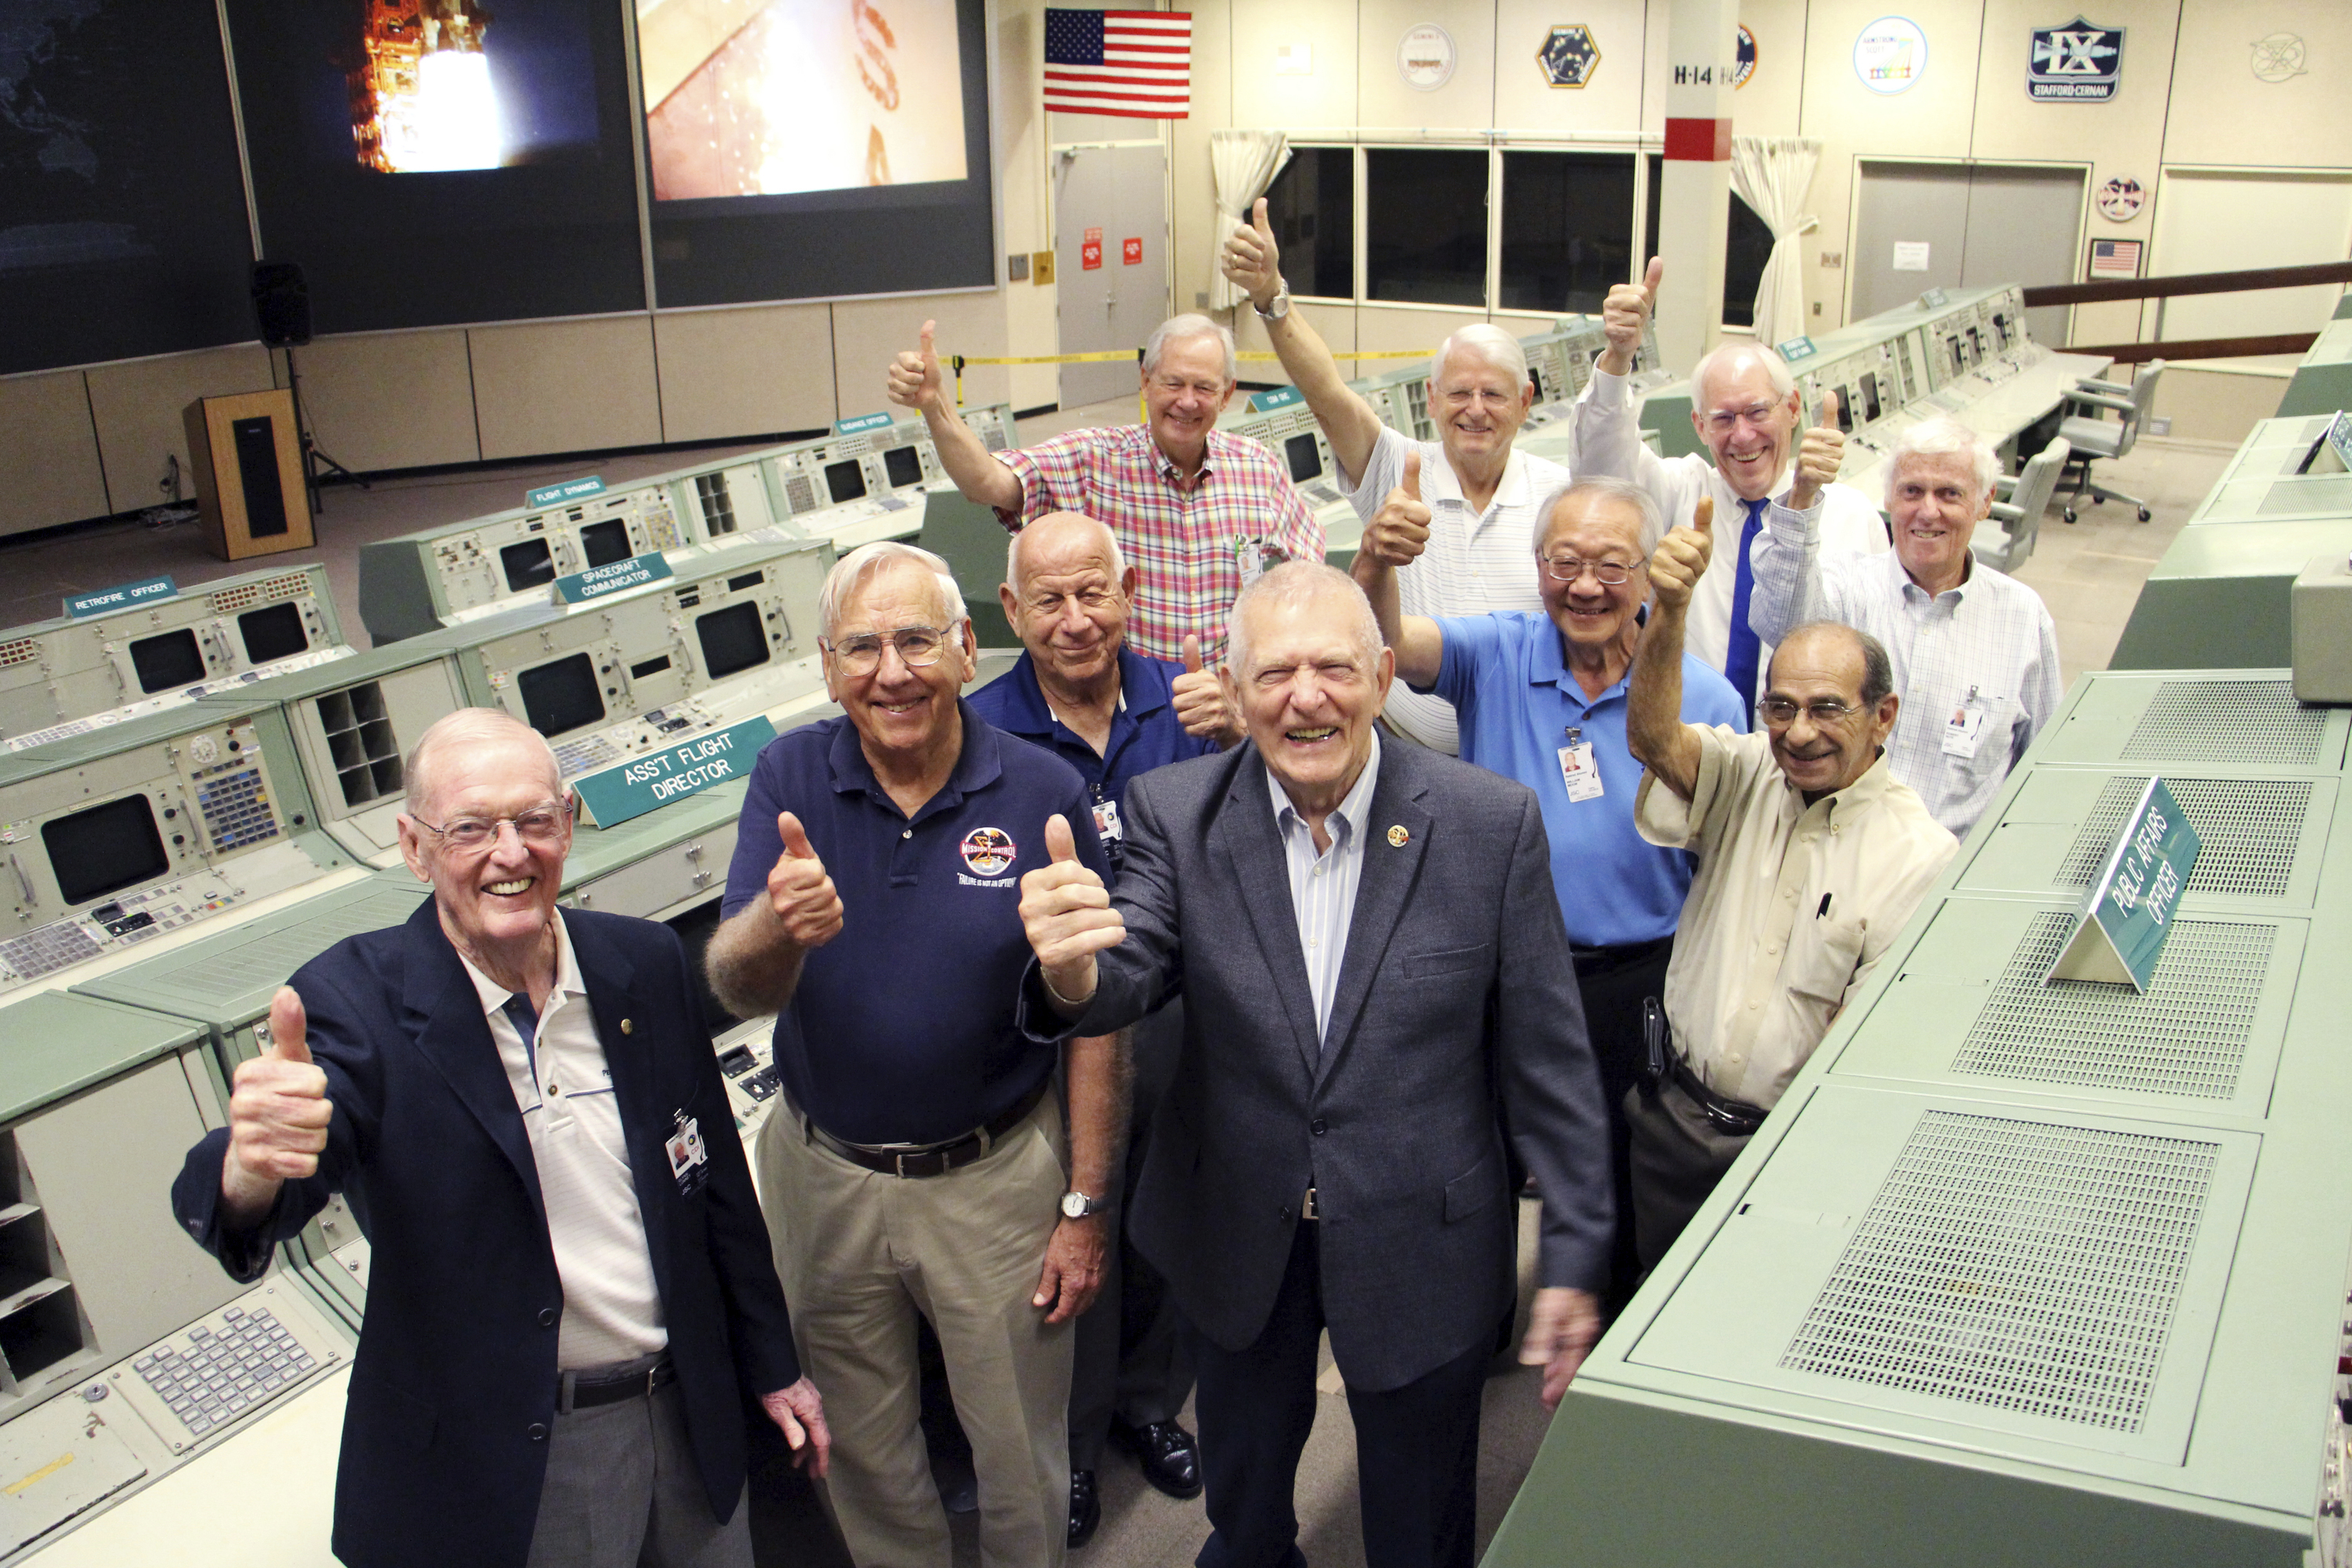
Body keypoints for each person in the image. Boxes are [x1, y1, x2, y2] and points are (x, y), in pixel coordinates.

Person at [1015, 561, 1614, 1568]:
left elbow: (1549, 1065)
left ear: (1383, 676)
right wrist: (1073, 974)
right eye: (1276, 672)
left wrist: (1573, 1250)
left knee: (1421, 1526)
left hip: (1425, 1236)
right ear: (1236, 690)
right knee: (1244, 1515)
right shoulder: (1174, 812)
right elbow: (1132, 967)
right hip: (1237, 1235)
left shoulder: (1488, 825)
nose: (1306, 696)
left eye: (1333, 666)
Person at [170, 707, 828, 1568]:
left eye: (534, 820)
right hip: (519, 1448)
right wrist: (251, 1165)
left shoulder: (644, 962)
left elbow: (718, 1197)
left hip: (688, 1410)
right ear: (414, 847)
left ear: (568, 821)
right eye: (471, 828)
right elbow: (266, 1195)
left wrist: (774, 1364)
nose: (510, 852)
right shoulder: (354, 1002)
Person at [705, 540, 1120, 1568]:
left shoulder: (1040, 791)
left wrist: (1083, 1205)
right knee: (862, 1452)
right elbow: (735, 986)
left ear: (968, 648)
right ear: (827, 664)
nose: (891, 671)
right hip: (825, 1175)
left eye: (916, 640)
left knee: (1020, 1449)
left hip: (994, 1182)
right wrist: (775, 927)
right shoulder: (788, 774)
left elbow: (1099, 1014)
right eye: (863, 647)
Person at [1358, 476, 1744, 1316]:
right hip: (1500, 970)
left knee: (1612, 1165)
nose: (1584, 585)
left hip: (1635, 979)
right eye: (1563, 561)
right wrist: (1377, 560)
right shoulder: (1498, 652)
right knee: (1477, 1152)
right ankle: (1479, 1320)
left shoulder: (1707, 698)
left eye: (1612, 565)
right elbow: (1384, 639)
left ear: (1650, 574)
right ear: (1536, 568)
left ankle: (1606, 1336)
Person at [964, 510, 1236, 1545]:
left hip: (1176, 1011)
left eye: (1095, 594)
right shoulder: (981, 727)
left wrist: (1247, 735)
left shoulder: (1194, 702)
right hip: (1057, 1023)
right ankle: (1072, 1449)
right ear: (1011, 612)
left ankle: (1146, 1406)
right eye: (1050, 601)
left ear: (1128, 594)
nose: (1077, 622)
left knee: (1164, 1221)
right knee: (1071, 1238)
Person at [1624, 507, 1958, 1269]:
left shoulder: (1918, 857)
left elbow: (1857, 1060)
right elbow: (1651, 737)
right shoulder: (1746, 772)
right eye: (1780, 706)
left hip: (1785, 1153)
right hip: (1674, 1125)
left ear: (1884, 717)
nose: (1797, 732)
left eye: (1826, 709)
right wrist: (1670, 610)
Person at [1221, 197, 1577, 753]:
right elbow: (1326, 391)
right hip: (1408, 751)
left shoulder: (1561, 493)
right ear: (1431, 399)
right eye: (1459, 393)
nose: (1475, 410)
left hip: (1528, 748)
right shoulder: (1394, 466)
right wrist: (1271, 297)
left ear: (1527, 401)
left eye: (1493, 394)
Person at [887, 313, 1322, 664]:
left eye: (1204, 387)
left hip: (1233, 705)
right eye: (1173, 383)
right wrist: (935, 406)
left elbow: (1314, 582)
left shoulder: (1258, 469)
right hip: (1133, 712)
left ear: (1226, 395)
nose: (1187, 401)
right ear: (1145, 381)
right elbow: (984, 482)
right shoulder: (1093, 462)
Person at [1573, 261, 1887, 710]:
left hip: (1806, 746)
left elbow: (1872, 654)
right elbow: (1600, 476)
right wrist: (1619, 358)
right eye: (1722, 419)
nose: (1742, 435)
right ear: (1699, 426)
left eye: (1758, 412)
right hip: (1694, 736)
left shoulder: (1853, 517)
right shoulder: (1680, 490)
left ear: (1793, 409)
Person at [1747, 415, 2063, 840]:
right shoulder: (1841, 590)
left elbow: (2043, 768)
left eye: (1950, 494)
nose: (1927, 511)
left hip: (1949, 877)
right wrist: (1803, 495)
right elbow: (1780, 621)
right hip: (1833, 861)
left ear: (1985, 503)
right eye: (1912, 491)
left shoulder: (2023, 618)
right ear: (1890, 498)